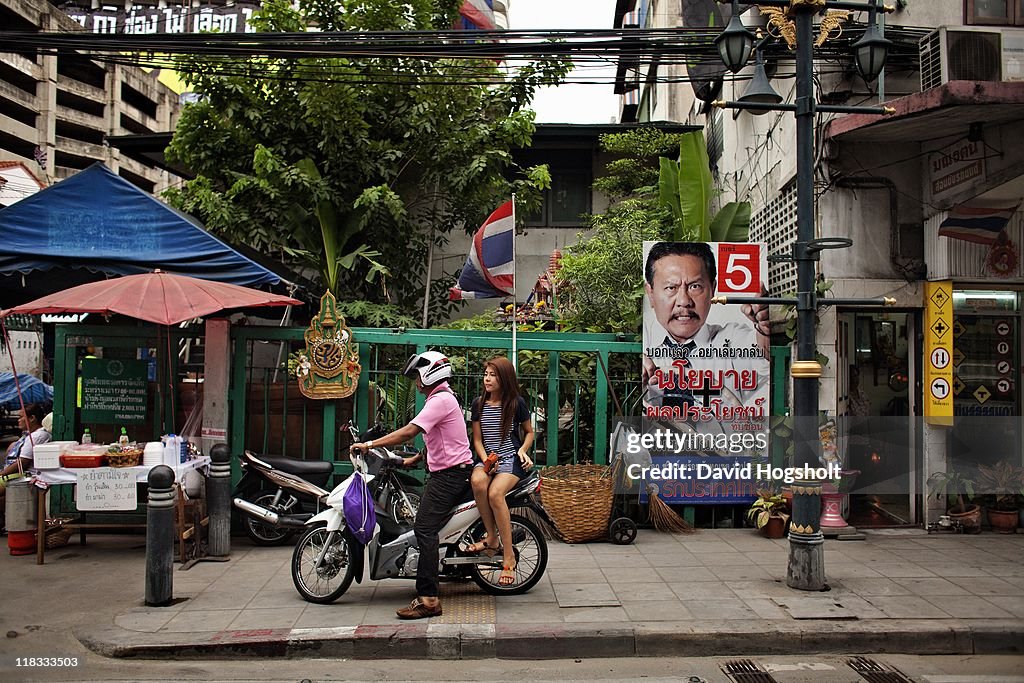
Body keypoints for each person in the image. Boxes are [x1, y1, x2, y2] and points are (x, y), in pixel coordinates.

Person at [349, 351, 473, 620]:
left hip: (449, 477)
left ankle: (429, 599)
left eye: (418, 376)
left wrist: (368, 444)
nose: (416, 382)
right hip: (450, 473)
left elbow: (409, 431)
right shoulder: (442, 398)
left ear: (431, 373)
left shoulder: (440, 400)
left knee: (424, 529)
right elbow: (441, 440)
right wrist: (411, 461)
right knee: (429, 525)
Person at [642, 241, 770, 412]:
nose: (684, 302)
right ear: (650, 294)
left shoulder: (731, 340)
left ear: (712, 289)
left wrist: (763, 326)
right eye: (671, 287)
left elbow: (763, 355)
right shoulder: (641, 343)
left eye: (695, 286)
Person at [466, 356, 534, 587]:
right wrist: (485, 461)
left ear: (504, 379)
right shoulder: (478, 404)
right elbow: (477, 439)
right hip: (487, 458)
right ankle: (491, 537)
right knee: (477, 482)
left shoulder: (516, 403)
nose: (487, 379)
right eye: (486, 374)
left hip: (510, 459)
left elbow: (529, 432)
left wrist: (524, 450)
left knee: (495, 494)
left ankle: (508, 557)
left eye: (493, 375)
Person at [0, 403, 52, 530]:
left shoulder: (37, 436)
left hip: (24, 475)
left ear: (32, 418)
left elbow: (22, 463)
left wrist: (1, 474)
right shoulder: (27, 436)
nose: (18, 420)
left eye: (21, 417)